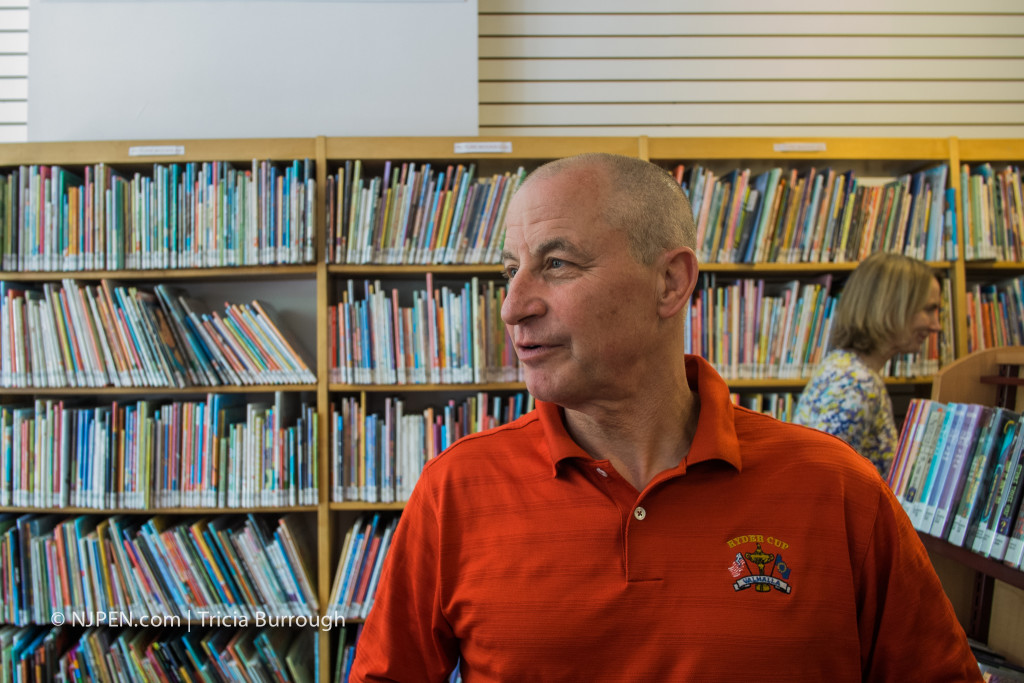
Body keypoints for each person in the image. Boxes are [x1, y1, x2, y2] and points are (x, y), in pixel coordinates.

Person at [349, 154, 981, 682]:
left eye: (557, 264)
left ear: (671, 282)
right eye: (510, 271)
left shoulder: (838, 490)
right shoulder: (455, 491)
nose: (513, 307)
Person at [794, 252, 943, 477]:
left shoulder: (844, 366)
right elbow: (822, 483)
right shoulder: (857, 385)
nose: (936, 326)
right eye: (928, 310)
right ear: (892, 307)